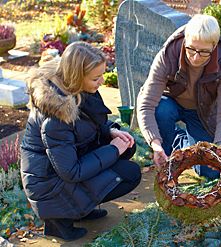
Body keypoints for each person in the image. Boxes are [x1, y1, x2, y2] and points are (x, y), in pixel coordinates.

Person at [20, 41, 142, 241]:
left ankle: (81, 209)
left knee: (128, 148)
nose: (102, 81)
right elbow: (71, 171)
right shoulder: (57, 117)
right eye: (96, 77)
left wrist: (110, 132)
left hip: (64, 170)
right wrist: (112, 150)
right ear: (77, 77)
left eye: (103, 74)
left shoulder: (79, 89)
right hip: (50, 186)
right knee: (129, 173)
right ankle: (59, 218)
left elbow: (86, 124)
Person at [137, 14, 221, 179]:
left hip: (202, 112)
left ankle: (181, 141)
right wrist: (155, 144)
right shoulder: (168, 55)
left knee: (208, 171)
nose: (196, 57)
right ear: (185, 41)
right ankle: (166, 156)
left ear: (214, 46)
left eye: (204, 52)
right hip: (171, 103)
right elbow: (146, 104)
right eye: (191, 49)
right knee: (161, 110)